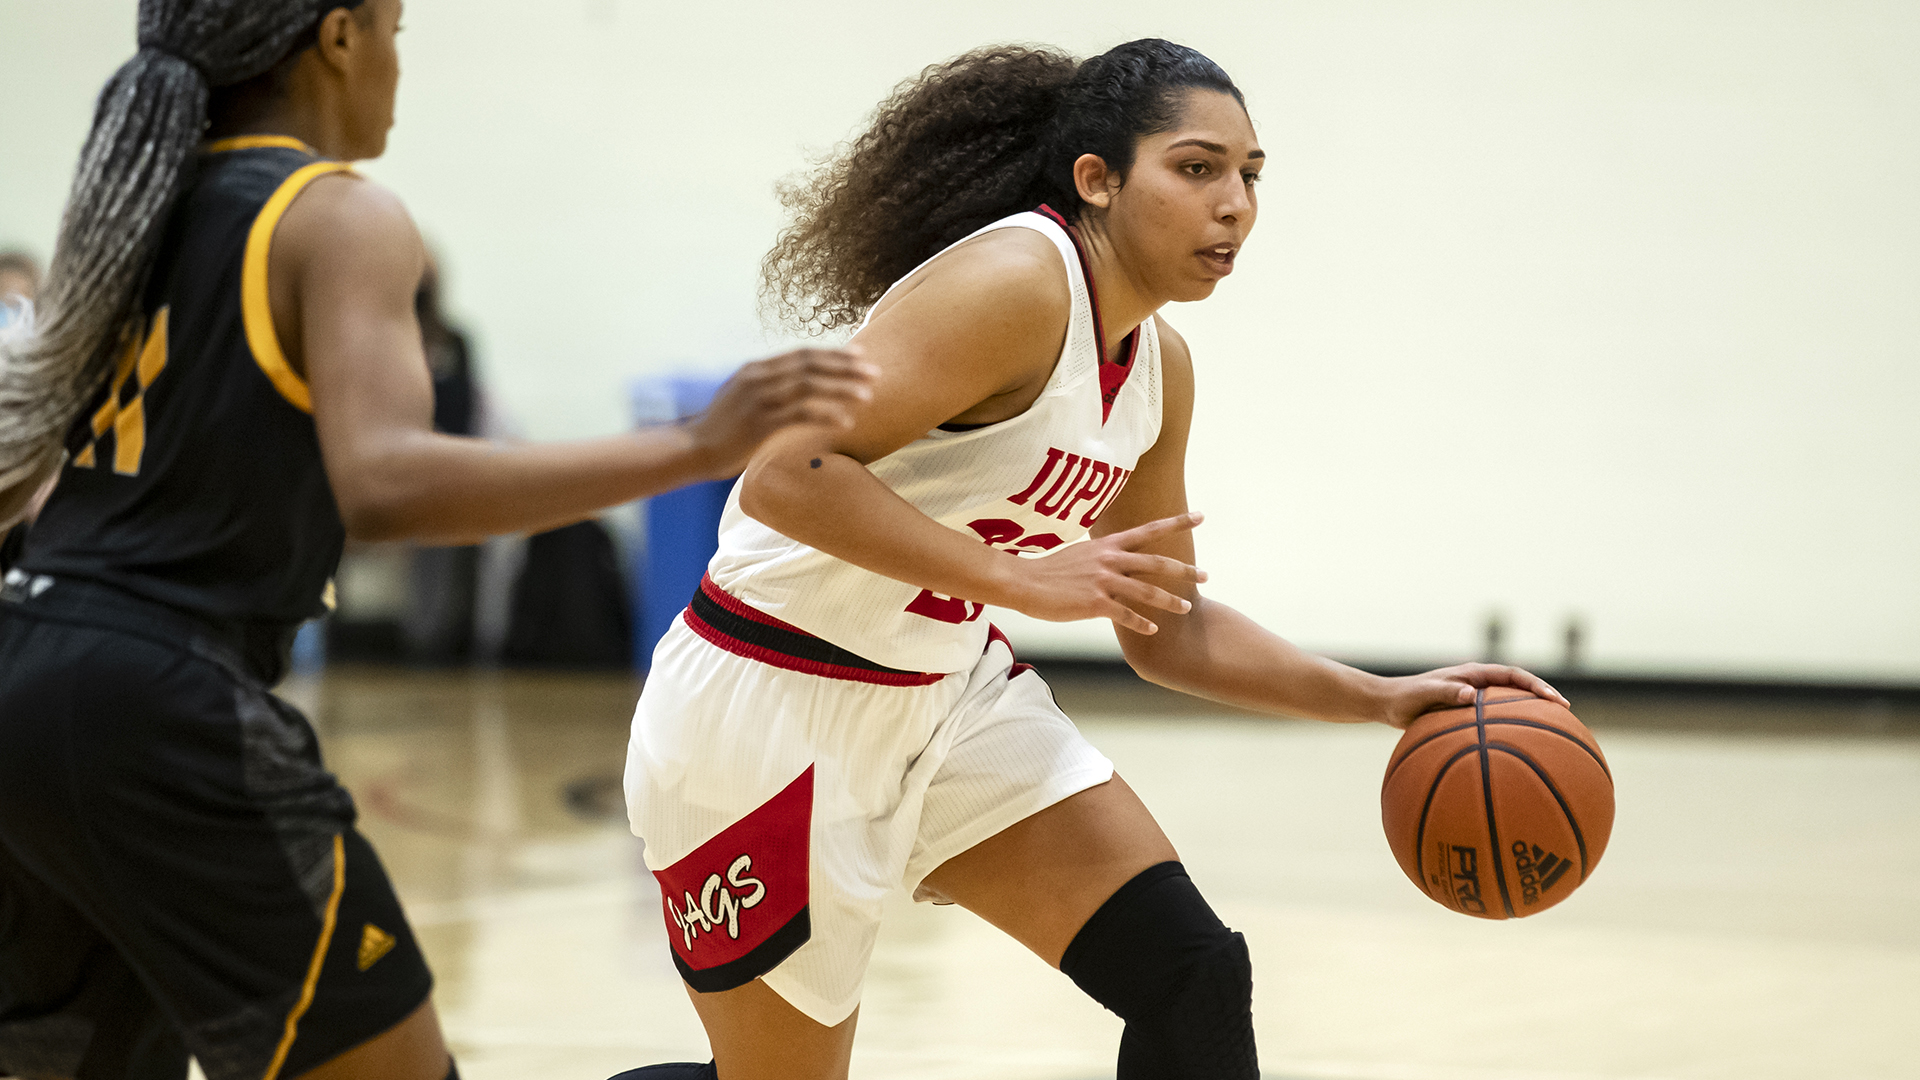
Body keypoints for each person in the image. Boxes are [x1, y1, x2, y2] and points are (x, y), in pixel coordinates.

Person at [616, 39, 1566, 1080]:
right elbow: (782, 469)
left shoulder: (1160, 366)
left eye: (1250, 175)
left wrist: (1378, 698)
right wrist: (1015, 580)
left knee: (1190, 975)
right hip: (766, 710)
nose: (1235, 204)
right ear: (1097, 181)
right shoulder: (1017, 280)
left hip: (944, 702)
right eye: (1197, 168)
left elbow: (1170, 631)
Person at [0, 2, 872, 1078]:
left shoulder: (133, 214)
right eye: (396, 31)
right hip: (158, 700)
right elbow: (387, 484)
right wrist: (698, 444)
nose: (397, 65)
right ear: (337, 36)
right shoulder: (335, 214)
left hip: (24, 678)